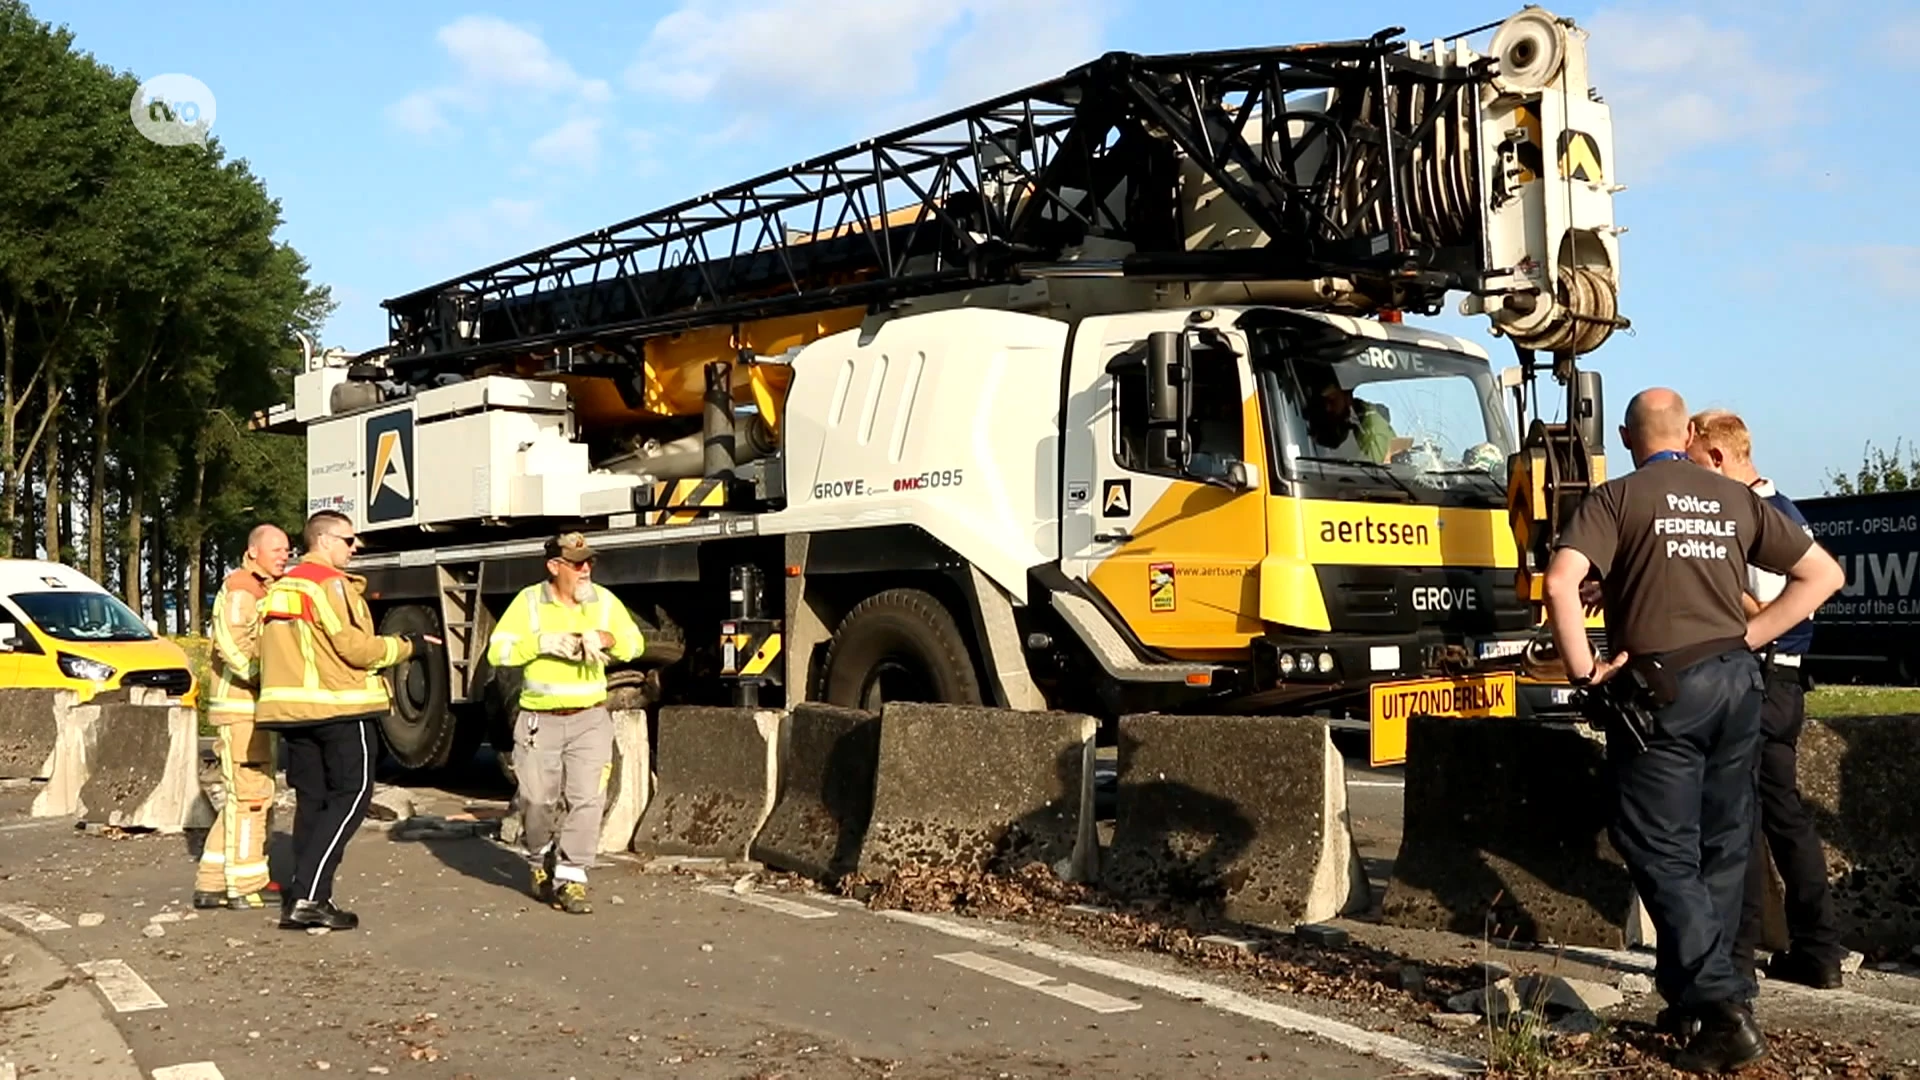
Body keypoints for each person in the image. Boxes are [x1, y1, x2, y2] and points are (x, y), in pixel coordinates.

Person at [1542, 388, 1843, 1072]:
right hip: (1740, 685)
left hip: (1663, 690)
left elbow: (1562, 584)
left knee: (1656, 845)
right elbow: (1824, 573)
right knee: (1725, 845)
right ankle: (1704, 999)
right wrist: (1752, 634)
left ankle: (1721, 1005)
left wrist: (1586, 669)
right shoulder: (1735, 499)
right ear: (1685, 433)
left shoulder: (1617, 498)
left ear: (1625, 438)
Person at [1688, 409, 1847, 991]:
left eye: (1694, 462)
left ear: (1718, 458)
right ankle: (1817, 949)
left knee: (1741, 817)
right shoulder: (1785, 511)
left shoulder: (1754, 517)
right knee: (1783, 817)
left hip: (1764, 679)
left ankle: (1742, 948)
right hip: (1785, 682)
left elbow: (1769, 609)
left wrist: (1708, 588)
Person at [256, 511, 429, 931]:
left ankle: (306, 893)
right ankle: (311, 898)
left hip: (293, 713)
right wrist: (408, 647)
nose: (356, 548)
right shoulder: (327, 584)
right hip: (339, 707)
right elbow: (354, 648)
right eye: (350, 540)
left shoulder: (281, 588)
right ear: (327, 540)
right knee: (352, 796)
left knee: (313, 803)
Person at [485, 532, 645, 915]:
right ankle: (539, 857)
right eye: (576, 563)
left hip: (590, 717)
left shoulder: (603, 601)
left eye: (589, 562)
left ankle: (572, 878)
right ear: (554, 567)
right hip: (540, 720)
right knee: (537, 801)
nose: (585, 569)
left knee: (588, 799)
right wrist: (539, 643)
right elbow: (498, 651)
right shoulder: (528, 603)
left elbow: (635, 642)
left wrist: (603, 638)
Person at [192, 523, 291, 911]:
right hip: (243, 709)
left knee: (240, 798)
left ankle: (212, 881)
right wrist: (270, 678)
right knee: (252, 797)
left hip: (248, 708)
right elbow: (235, 645)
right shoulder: (242, 590)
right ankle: (248, 884)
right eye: (277, 549)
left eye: (287, 549)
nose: (284, 555)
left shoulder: (258, 589)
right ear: (253, 552)